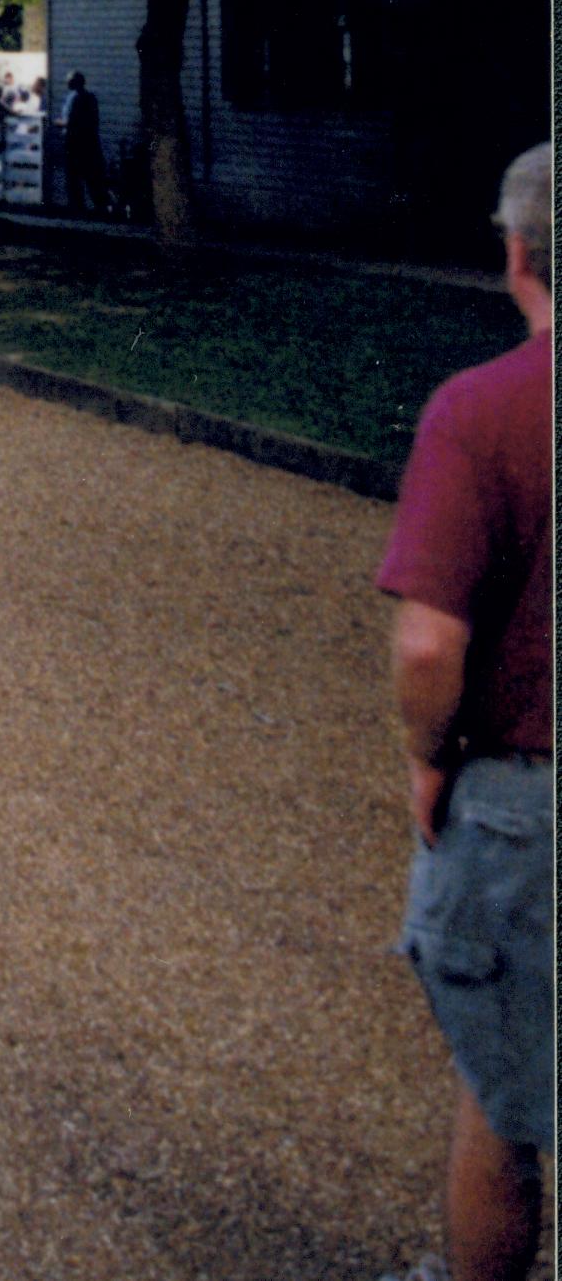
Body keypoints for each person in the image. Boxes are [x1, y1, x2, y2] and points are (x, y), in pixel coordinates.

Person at [375, 142, 551, 1281]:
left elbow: (430, 639)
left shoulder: (483, 412)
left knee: (508, 1088)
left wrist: (426, 754)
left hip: (524, 795)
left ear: (518, 250)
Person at [60, 71, 109, 216]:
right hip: (90, 140)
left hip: (74, 141)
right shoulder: (91, 97)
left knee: (73, 174)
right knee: (92, 174)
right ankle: (99, 205)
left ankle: (76, 205)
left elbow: (70, 120)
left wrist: (59, 123)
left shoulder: (74, 98)